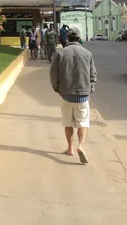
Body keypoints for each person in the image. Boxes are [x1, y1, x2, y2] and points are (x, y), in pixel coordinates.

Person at [50, 27, 97, 164]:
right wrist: (90, 89)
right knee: (83, 123)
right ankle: (81, 146)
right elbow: (93, 74)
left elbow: (53, 74)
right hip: (82, 95)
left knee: (68, 123)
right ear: (79, 38)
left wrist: (57, 89)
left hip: (66, 95)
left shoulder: (61, 53)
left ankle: (70, 148)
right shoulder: (87, 54)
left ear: (68, 38)